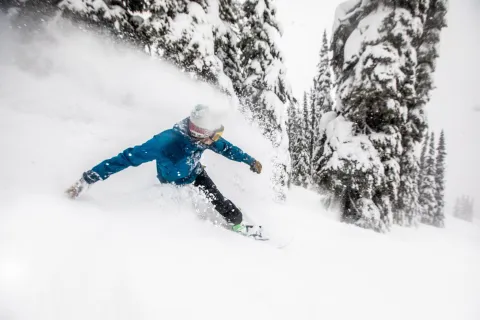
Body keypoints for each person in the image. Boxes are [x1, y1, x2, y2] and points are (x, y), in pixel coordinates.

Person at [66, 104, 263, 236]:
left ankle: (237, 223)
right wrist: (88, 179)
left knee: (218, 199)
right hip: (170, 182)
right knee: (176, 217)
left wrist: (250, 160)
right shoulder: (165, 143)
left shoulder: (206, 139)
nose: (215, 139)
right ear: (200, 131)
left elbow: (228, 149)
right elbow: (126, 158)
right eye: (213, 135)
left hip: (196, 174)